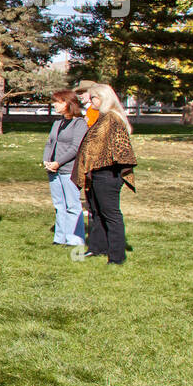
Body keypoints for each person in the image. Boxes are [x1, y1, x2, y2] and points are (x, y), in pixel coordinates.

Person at [72, 83, 136, 264]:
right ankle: (97, 247)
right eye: (90, 97)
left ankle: (116, 256)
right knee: (96, 212)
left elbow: (120, 149)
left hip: (108, 173)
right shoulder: (101, 118)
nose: (91, 100)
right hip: (96, 172)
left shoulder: (112, 119)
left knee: (111, 214)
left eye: (94, 97)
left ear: (104, 98)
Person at [43, 89, 88, 246]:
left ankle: (75, 239)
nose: (54, 105)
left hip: (69, 170)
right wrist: (47, 161)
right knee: (59, 205)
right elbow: (50, 143)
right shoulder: (58, 123)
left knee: (72, 205)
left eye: (58, 101)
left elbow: (76, 148)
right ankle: (60, 238)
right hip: (53, 170)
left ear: (68, 103)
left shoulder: (80, 123)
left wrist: (58, 162)